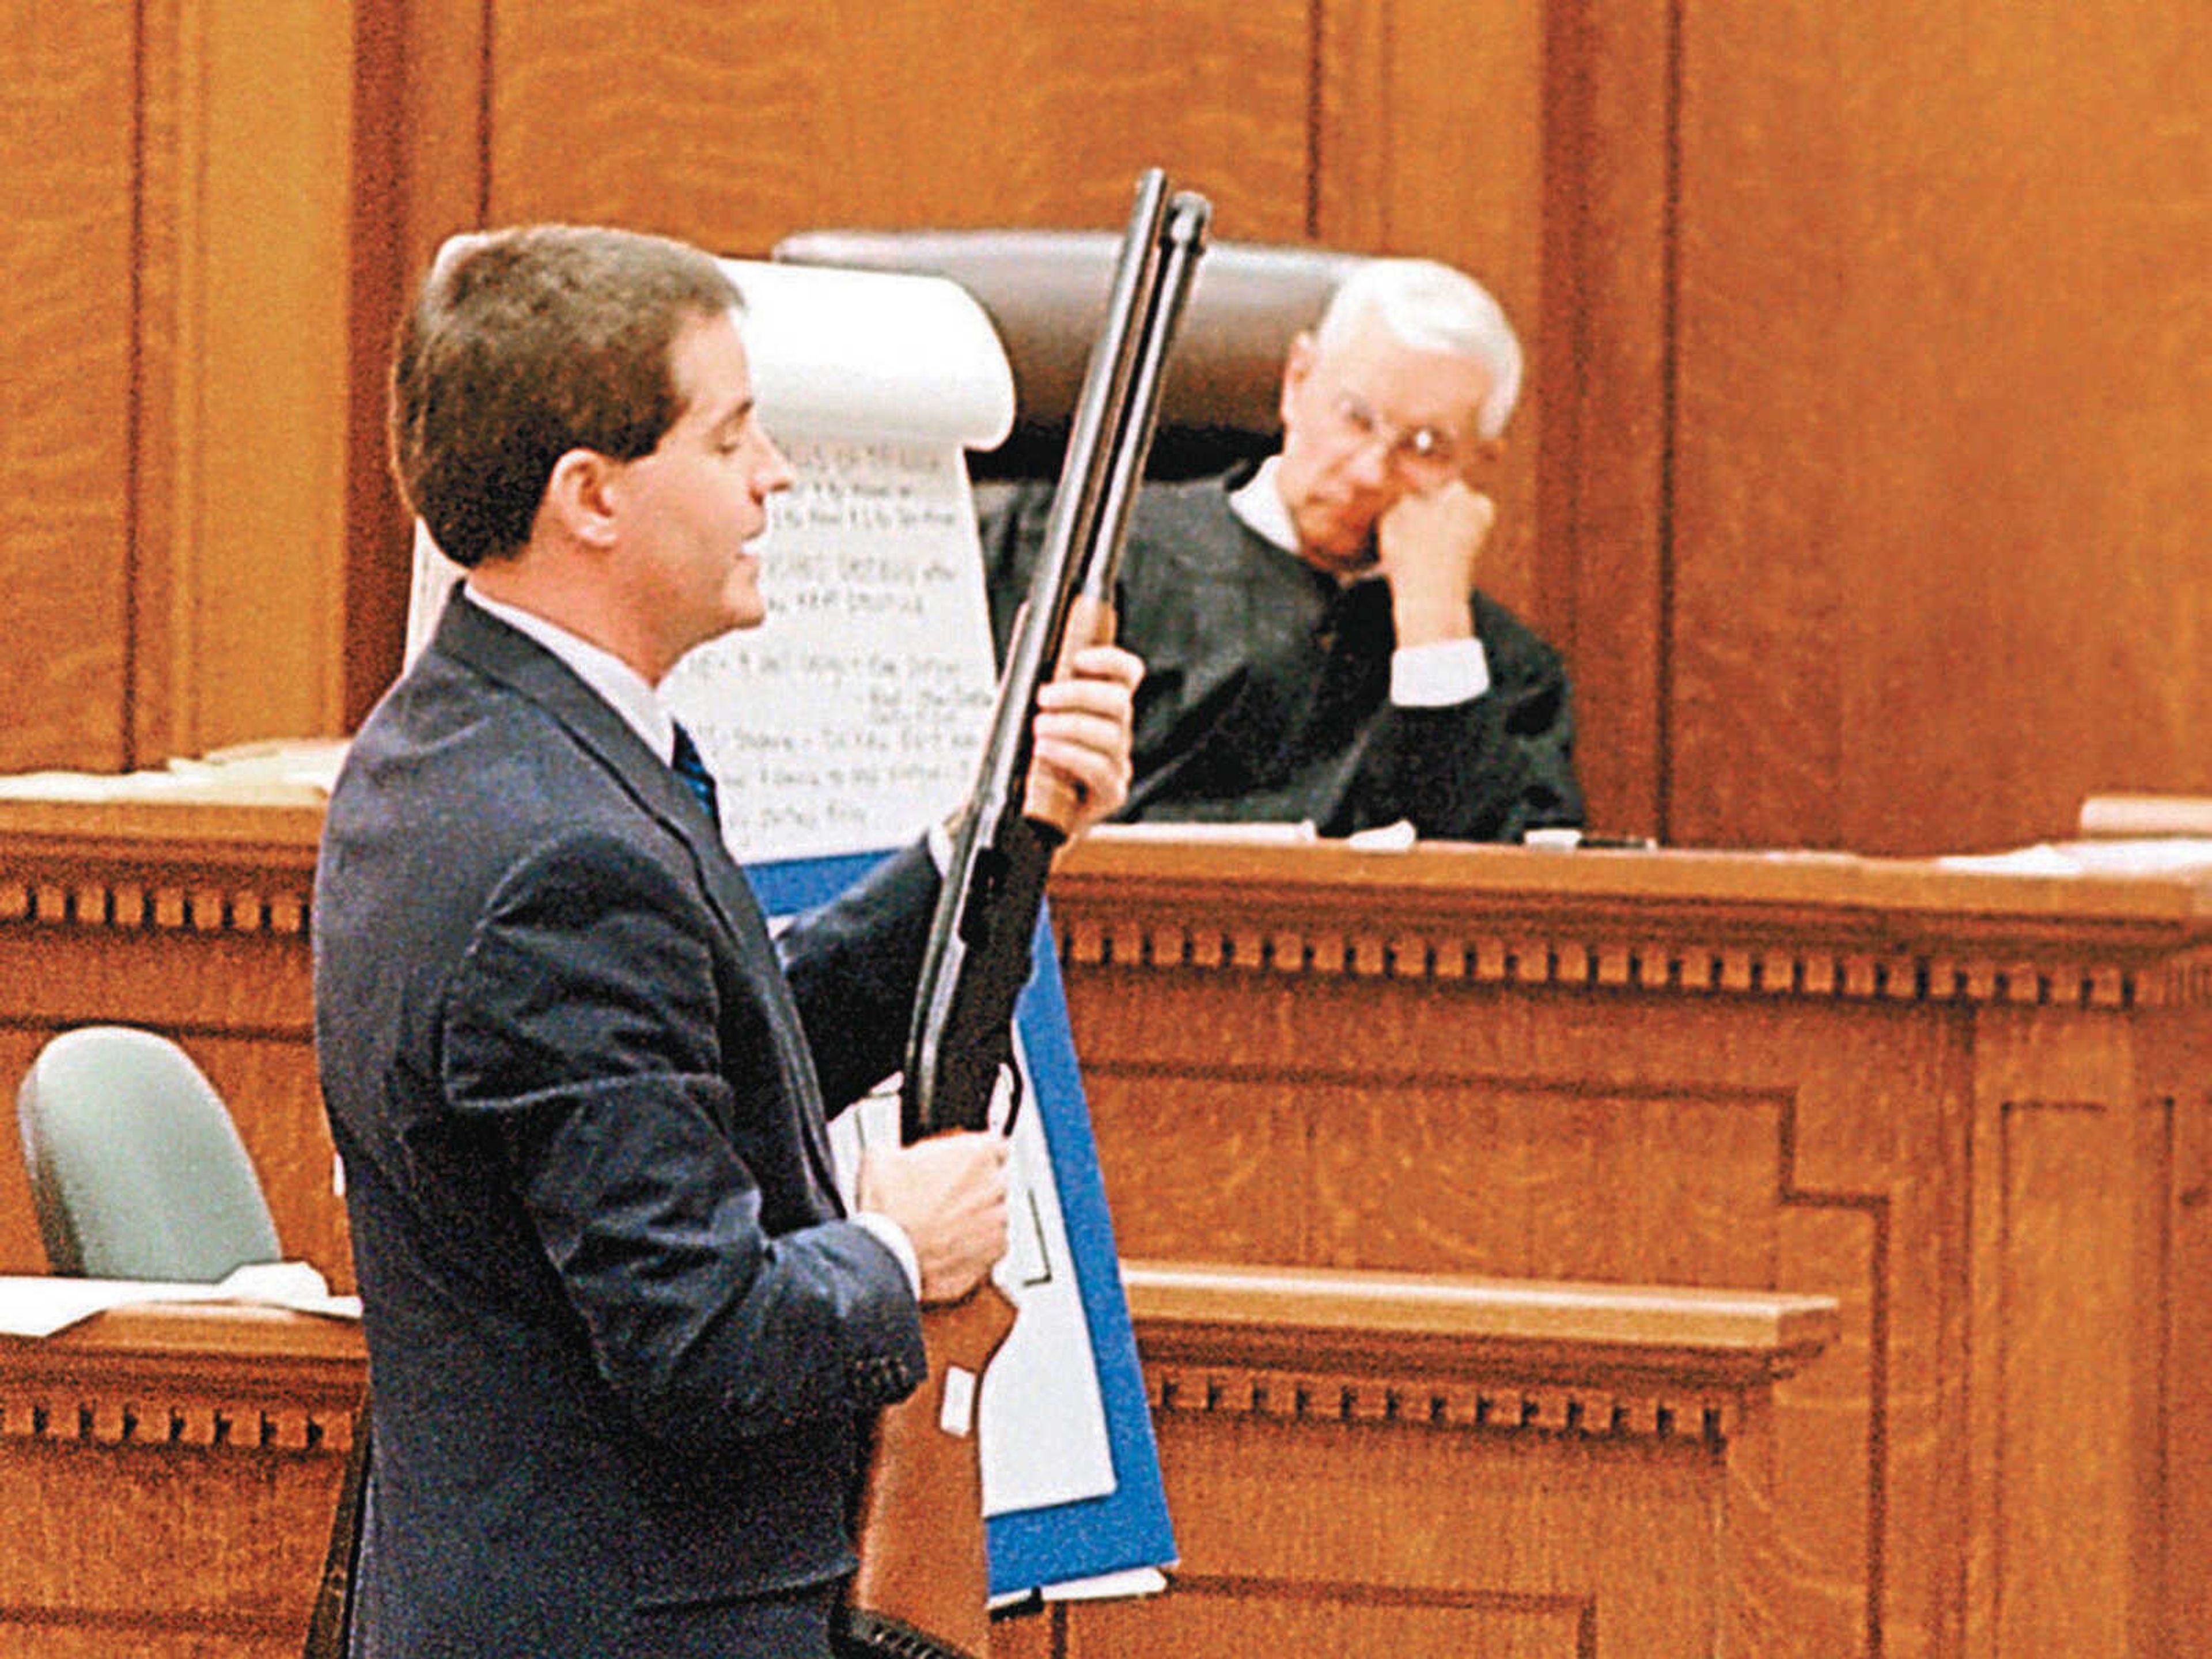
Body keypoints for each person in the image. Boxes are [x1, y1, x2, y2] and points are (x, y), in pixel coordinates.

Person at [313, 224, 1140, 1658]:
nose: (776, 476)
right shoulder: (555, 853)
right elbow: (700, 1339)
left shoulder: (475, 740)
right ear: (593, 497)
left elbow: (712, 1046)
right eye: (731, 436)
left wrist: (1001, 834)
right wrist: (898, 1246)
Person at [980, 256, 1582, 842]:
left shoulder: (1508, 676)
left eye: (1425, 447)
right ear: (1297, 380)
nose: (1372, 471)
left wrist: (1435, 633)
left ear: (1479, 463)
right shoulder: (1087, 553)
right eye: (1356, 418)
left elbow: (1499, 905)